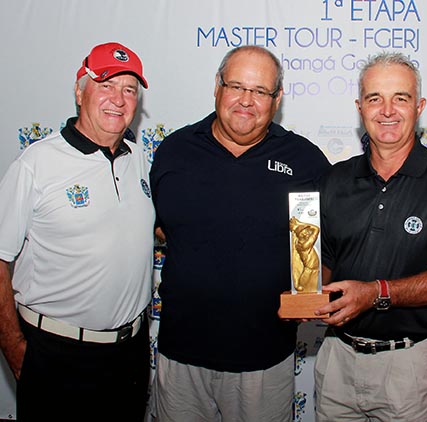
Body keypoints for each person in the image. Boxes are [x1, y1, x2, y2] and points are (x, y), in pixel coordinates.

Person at [149, 45, 330, 421]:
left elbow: (328, 244)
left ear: (277, 99)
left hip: (265, 359)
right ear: (217, 86)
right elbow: (160, 228)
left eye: (261, 91)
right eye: (236, 86)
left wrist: (311, 293)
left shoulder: (305, 160)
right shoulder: (173, 152)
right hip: (181, 354)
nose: (247, 101)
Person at [312, 52, 427, 421]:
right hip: (337, 358)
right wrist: (302, 294)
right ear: (360, 107)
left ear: (419, 106)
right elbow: (322, 263)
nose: (387, 110)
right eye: (375, 98)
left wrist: (375, 293)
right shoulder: (335, 180)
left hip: (410, 365)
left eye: (400, 98)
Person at [0, 42, 154, 421]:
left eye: (129, 89)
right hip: (56, 353)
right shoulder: (37, 164)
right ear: (79, 89)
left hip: (128, 353)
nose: (118, 99)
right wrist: (14, 346)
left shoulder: (138, 159)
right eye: (106, 84)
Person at [289, 217, 320, 292]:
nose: (306, 233)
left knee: (307, 290)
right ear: (299, 236)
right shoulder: (304, 245)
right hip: (310, 270)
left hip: (313, 269)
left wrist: (298, 225)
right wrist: (300, 223)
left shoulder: (300, 243)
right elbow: (316, 229)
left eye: (305, 231)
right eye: (302, 233)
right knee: (302, 289)